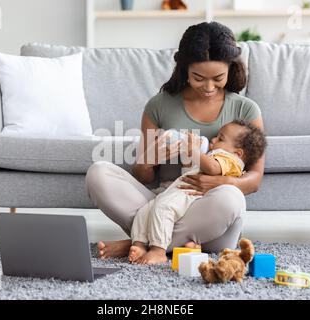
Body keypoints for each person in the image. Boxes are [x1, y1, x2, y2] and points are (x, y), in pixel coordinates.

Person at [85, 21, 265, 260]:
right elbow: (143, 177)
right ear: (184, 69)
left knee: (231, 199)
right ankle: (168, 243)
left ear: (231, 69)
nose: (209, 87)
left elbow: (254, 180)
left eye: (218, 78)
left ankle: (140, 243)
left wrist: (218, 181)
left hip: (211, 216)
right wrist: (148, 160)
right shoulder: (159, 106)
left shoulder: (246, 110)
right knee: (98, 172)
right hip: (163, 200)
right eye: (198, 78)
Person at [129, 120, 267, 264]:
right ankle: (138, 244)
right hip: (180, 190)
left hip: (190, 194)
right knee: (145, 211)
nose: (213, 140)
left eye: (220, 138)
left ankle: (158, 251)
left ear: (238, 153)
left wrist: (194, 151)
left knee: (163, 208)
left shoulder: (231, 160)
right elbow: (192, 173)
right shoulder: (214, 156)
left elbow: (213, 168)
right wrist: (189, 161)